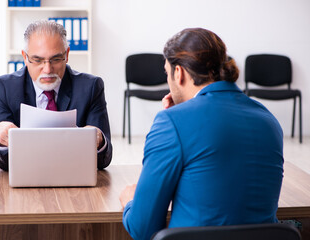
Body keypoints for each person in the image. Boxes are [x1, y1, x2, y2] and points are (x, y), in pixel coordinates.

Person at [119, 28, 284, 240]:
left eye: (166, 73)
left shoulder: (171, 122)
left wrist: (131, 202)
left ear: (178, 73)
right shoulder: (268, 119)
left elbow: (143, 229)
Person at [0, 20, 112, 171]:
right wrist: (0, 137)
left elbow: (104, 160)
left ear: (66, 55)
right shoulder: (2, 88)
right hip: (25, 175)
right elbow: (3, 163)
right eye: (38, 60)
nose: (47, 69)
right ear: (25, 57)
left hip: (73, 176)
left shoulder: (91, 87)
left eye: (56, 59)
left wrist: (98, 141)